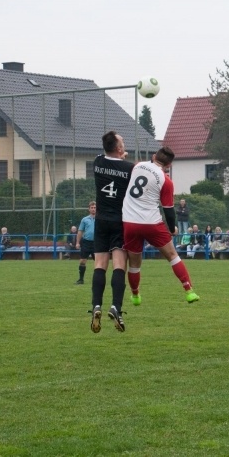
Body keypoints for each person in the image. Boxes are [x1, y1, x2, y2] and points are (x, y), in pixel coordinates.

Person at [122, 146, 199, 306]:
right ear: (169, 165)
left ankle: (135, 295)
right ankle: (189, 291)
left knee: (134, 263)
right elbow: (169, 211)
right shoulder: (166, 181)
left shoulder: (137, 166)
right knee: (172, 256)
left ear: (154, 155)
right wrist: (172, 229)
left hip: (129, 222)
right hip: (151, 223)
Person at [90, 131, 135, 334]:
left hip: (100, 221)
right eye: (122, 142)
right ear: (119, 148)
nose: (124, 144)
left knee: (99, 265)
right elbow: (123, 167)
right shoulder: (129, 168)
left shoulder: (97, 162)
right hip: (119, 221)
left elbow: (109, 159)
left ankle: (96, 306)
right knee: (119, 265)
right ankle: (116, 307)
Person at [74, 202, 96, 285]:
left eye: (95, 207)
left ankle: (97, 280)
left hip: (97, 243)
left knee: (98, 262)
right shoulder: (84, 219)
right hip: (86, 242)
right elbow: (80, 231)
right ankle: (81, 279)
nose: (93, 209)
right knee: (82, 261)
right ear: (89, 209)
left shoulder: (101, 218)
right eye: (92, 207)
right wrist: (77, 243)